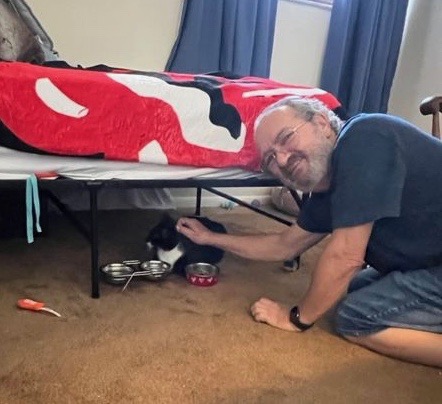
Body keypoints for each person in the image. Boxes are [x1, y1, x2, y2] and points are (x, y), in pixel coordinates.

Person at [176, 96, 442, 368]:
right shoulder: (328, 188)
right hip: (428, 260)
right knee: (347, 289)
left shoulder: (366, 138)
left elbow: (346, 257)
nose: (282, 159)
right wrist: (209, 237)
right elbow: (284, 245)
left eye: (286, 137)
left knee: (355, 317)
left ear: (322, 123)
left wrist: (295, 318)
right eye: (270, 160)